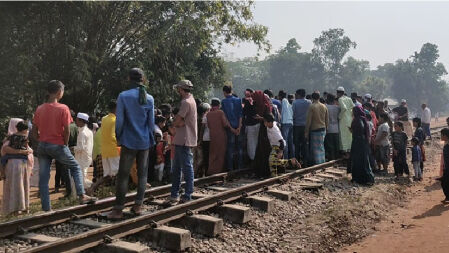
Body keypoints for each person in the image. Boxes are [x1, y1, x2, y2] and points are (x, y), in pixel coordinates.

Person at [32, 80, 96, 211]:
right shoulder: (63, 108)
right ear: (59, 92)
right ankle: (81, 195)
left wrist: (41, 140)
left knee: (44, 177)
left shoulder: (39, 109)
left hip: (43, 146)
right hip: (57, 144)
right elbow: (66, 130)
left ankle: (46, 208)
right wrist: (65, 144)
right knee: (75, 167)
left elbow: (34, 130)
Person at [107, 68, 155, 219]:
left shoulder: (123, 96)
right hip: (144, 141)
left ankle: (118, 209)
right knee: (142, 175)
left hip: (128, 141)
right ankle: (138, 206)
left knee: (123, 175)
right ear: (143, 80)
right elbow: (151, 123)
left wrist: (118, 136)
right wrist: (151, 139)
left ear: (129, 79)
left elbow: (120, 121)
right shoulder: (150, 98)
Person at [165, 80, 197, 205]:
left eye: (179, 89)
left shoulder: (185, 102)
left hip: (183, 138)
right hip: (182, 138)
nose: (178, 91)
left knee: (185, 167)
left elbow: (178, 120)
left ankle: (187, 193)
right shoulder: (192, 100)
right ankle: (175, 194)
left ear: (181, 89)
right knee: (178, 167)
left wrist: (173, 124)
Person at [1, 120, 33, 215]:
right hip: (20, 164)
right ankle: (21, 207)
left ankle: (14, 208)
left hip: (12, 164)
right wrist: (21, 151)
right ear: (24, 129)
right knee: (20, 184)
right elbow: (27, 149)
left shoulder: (10, 137)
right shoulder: (24, 137)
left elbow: (4, 150)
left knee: (15, 184)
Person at [89, 101, 120, 194]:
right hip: (113, 150)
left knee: (108, 175)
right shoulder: (115, 120)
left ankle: (92, 188)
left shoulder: (104, 118)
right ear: (116, 108)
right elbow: (112, 136)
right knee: (119, 172)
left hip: (104, 151)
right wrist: (119, 143)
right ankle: (119, 192)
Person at [206, 98, 236, 175]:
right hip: (221, 135)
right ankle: (219, 171)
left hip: (212, 136)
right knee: (221, 154)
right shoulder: (220, 112)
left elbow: (209, 126)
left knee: (213, 154)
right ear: (219, 105)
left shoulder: (208, 114)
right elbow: (225, 124)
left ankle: (211, 171)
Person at [350, 106, 374, 185]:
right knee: (363, 160)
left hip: (358, 142)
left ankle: (362, 179)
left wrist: (353, 130)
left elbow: (360, 128)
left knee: (359, 160)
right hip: (362, 142)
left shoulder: (358, 119)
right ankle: (364, 179)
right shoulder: (363, 118)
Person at [221, 85, 243, 171]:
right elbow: (241, 115)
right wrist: (239, 127)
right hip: (238, 127)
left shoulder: (224, 102)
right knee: (239, 147)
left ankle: (230, 167)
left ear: (224, 92)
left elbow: (225, 117)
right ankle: (240, 166)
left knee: (230, 147)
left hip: (230, 128)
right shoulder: (238, 100)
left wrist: (231, 128)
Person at [305, 92, 329, 165]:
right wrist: (326, 129)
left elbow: (309, 120)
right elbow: (327, 119)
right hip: (323, 129)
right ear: (319, 97)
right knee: (321, 147)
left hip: (315, 129)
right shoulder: (324, 106)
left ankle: (318, 164)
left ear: (312, 98)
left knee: (316, 149)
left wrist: (306, 131)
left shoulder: (312, 106)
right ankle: (322, 162)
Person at [253, 90, 272, 178]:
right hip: (263, 129)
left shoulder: (265, 106)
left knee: (264, 150)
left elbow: (270, 119)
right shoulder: (260, 105)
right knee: (260, 150)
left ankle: (265, 171)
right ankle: (259, 171)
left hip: (266, 129)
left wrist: (260, 118)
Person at [74, 112, 94, 188]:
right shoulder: (89, 131)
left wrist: (73, 148)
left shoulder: (82, 133)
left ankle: (93, 187)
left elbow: (81, 148)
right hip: (87, 157)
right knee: (82, 177)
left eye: (77, 120)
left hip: (82, 158)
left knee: (81, 178)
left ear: (81, 121)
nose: (76, 122)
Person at [292, 89, 311, 165]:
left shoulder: (295, 102)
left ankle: (297, 162)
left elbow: (293, 113)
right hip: (306, 126)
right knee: (305, 144)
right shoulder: (309, 102)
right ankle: (305, 162)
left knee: (296, 145)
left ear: (299, 94)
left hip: (296, 125)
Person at [336, 87, 354, 160]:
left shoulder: (340, 99)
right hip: (350, 119)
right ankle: (349, 152)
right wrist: (351, 115)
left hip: (343, 120)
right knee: (349, 136)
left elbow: (344, 108)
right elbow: (353, 107)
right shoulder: (349, 99)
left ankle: (346, 154)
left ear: (338, 93)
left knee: (343, 136)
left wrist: (339, 117)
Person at [243, 88, 259, 163]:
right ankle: (257, 158)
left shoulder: (245, 101)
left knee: (251, 143)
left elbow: (244, 112)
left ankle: (253, 159)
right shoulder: (256, 100)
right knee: (256, 142)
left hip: (250, 125)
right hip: (257, 123)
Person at [324, 94, 340, 161]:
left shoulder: (325, 107)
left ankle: (332, 157)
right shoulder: (338, 107)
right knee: (336, 144)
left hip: (329, 128)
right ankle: (337, 157)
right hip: (336, 128)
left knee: (330, 144)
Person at [279, 90, 294, 159]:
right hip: (290, 122)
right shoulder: (288, 103)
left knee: (285, 142)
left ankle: (286, 158)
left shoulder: (284, 101)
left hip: (285, 123)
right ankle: (292, 158)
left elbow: (282, 113)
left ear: (280, 96)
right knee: (290, 141)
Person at [440, 128, 449, 202]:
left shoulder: (447, 146)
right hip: (446, 168)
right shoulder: (446, 144)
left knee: (444, 182)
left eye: (441, 135)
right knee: (444, 182)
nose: (441, 137)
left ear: (445, 136)